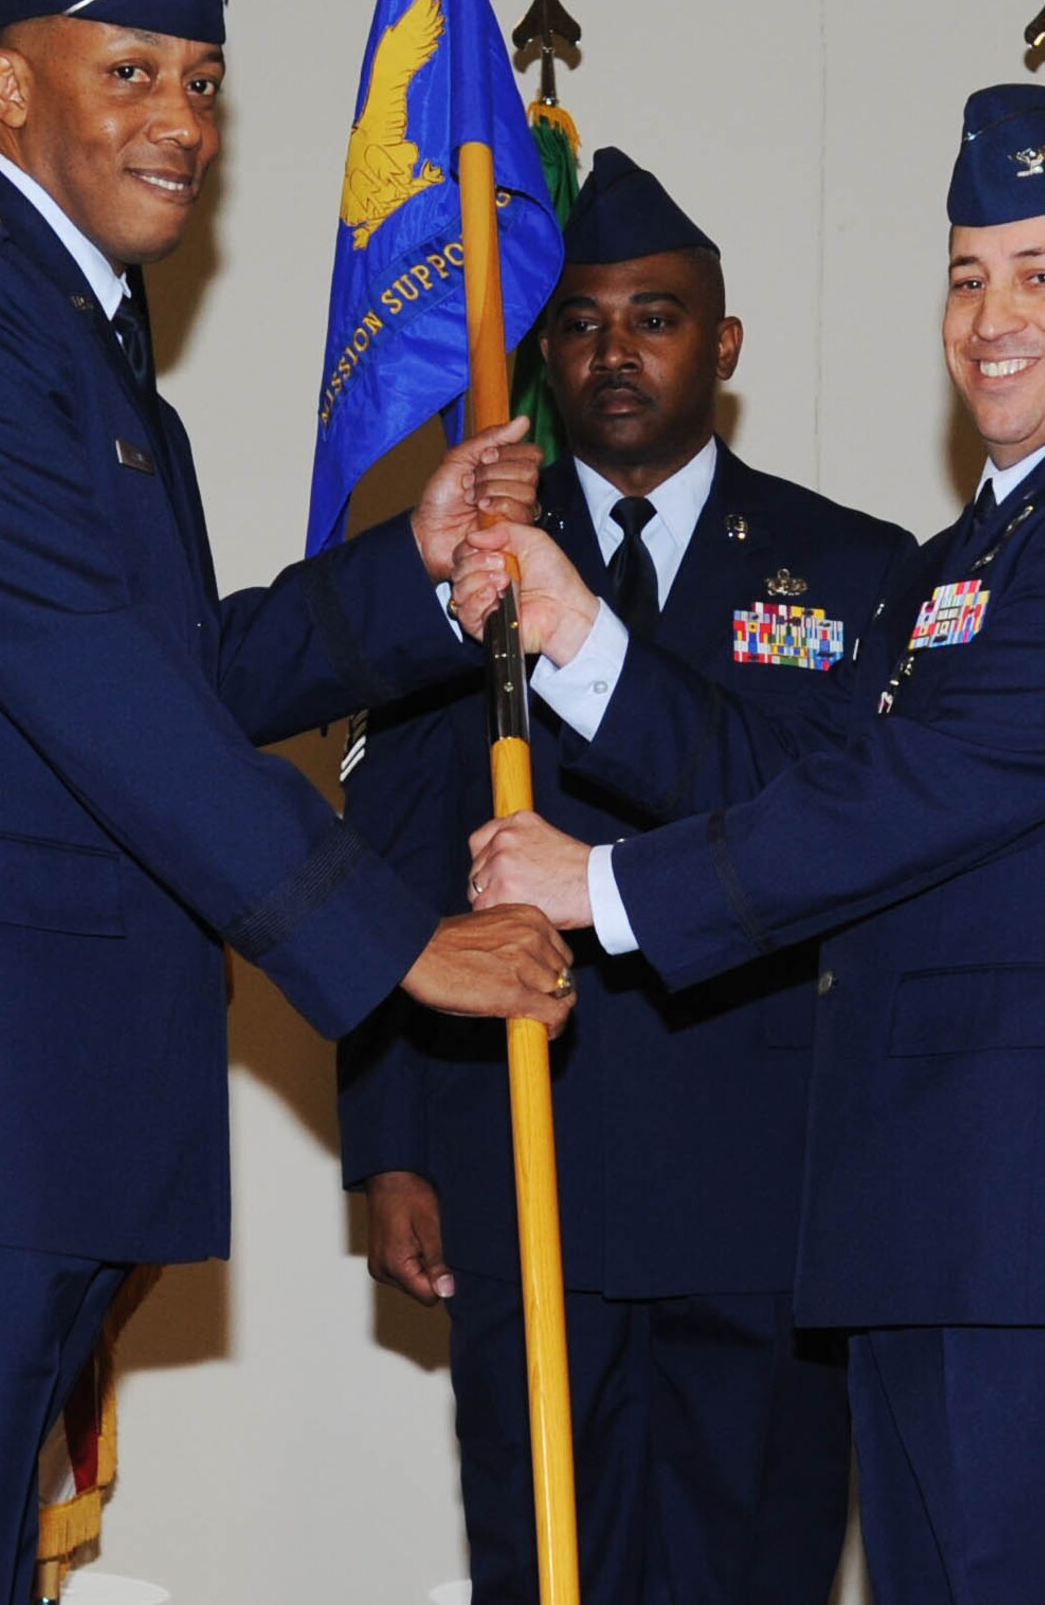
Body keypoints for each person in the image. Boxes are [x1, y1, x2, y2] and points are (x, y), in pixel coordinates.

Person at [0, 0, 574, 1605]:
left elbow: (173, 671)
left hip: (25, 1117)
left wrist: (403, 568)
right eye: (129, 69)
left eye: (202, 79)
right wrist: (398, 943)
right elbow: (104, 701)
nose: (180, 118)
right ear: (5, 85)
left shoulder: (84, 353)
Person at [457, 87, 1045, 1605]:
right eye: (969, 275)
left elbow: (933, 789)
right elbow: (814, 761)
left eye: (1044, 274)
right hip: (927, 1241)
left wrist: (605, 889)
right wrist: (579, 634)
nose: (993, 316)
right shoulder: (975, 553)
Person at [340, 148, 911, 1604]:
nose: (615, 352)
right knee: (543, 1570)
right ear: (544, 347)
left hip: (760, 1175)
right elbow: (397, 861)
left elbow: (834, 825)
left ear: (721, 345)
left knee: (754, 1563)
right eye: (583, 322)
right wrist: (391, 1143)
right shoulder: (462, 569)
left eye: (655, 317)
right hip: (529, 1156)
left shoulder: (849, 570)